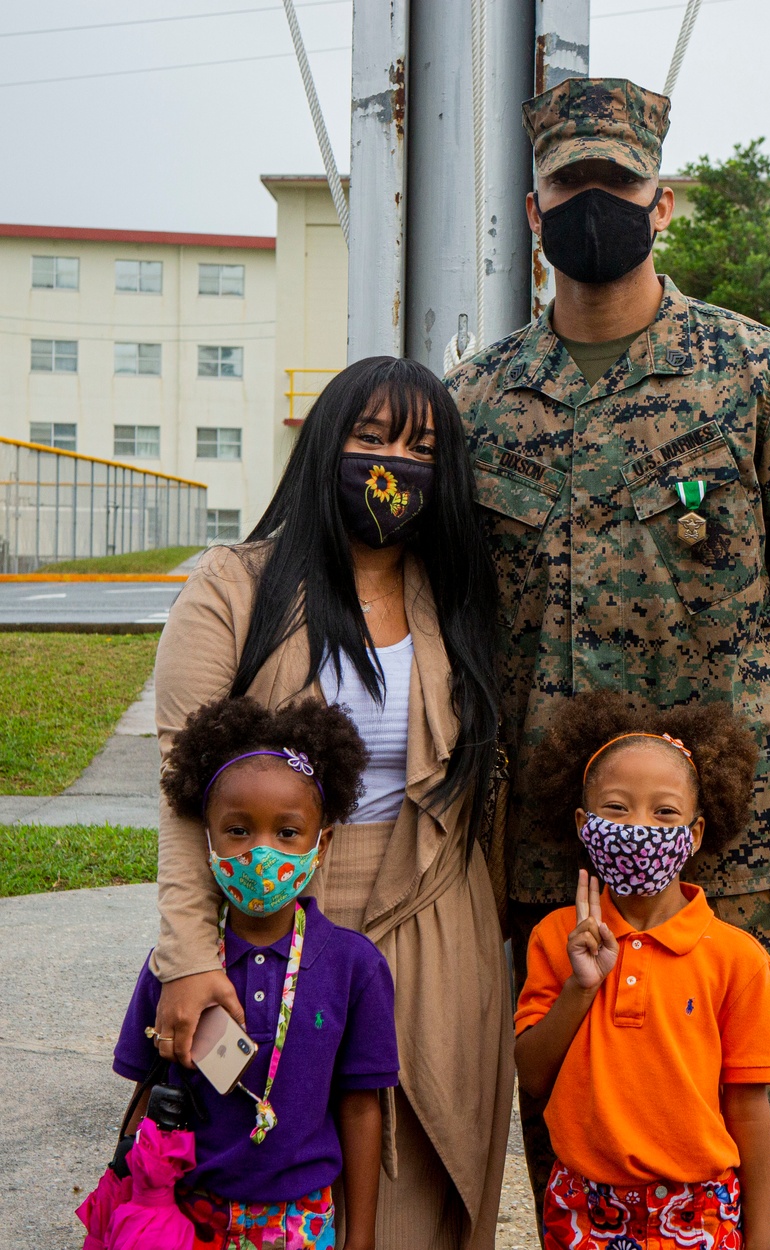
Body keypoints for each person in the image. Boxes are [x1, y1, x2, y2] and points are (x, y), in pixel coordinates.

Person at [447, 77, 770, 1250]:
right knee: (580, 1141)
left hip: (738, 863)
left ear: (660, 200)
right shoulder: (479, 404)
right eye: (570, 184)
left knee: (759, 1143)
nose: (594, 202)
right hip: (560, 863)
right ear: (532, 207)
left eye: (618, 183)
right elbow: (454, 635)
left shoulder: (767, 381)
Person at [148, 357, 514, 1250]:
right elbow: (184, 795)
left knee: (424, 1184)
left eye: (423, 447)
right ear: (324, 446)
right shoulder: (234, 587)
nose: (397, 463)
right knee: (263, 1171)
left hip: (440, 918)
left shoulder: (456, 594)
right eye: (373, 437)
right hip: (279, 919)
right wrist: (193, 957)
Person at [114, 697, 395, 1250]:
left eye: (287, 833)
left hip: (303, 1221)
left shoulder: (355, 967)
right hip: (188, 1214)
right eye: (238, 831)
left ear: (322, 843)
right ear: (208, 841)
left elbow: (362, 1107)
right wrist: (128, 1208)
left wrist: (359, 1239)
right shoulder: (175, 969)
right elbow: (142, 1098)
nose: (261, 853)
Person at [514, 693, 770, 1250]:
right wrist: (580, 988)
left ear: (697, 832)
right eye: (617, 808)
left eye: (664, 812)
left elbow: (749, 1109)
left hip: (702, 1208)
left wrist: (759, 1236)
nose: (640, 827)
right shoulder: (556, 938)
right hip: (583, 1205)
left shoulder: (738, 958)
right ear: (585, 826)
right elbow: (533, 1077)